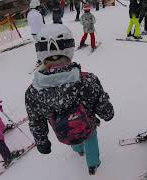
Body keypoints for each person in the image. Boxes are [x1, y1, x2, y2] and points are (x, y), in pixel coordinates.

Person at [25, 24, 114, 175]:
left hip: (64, 131)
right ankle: (93, 163)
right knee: (90, 137)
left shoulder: (33, 92)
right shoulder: (87, 80)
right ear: (69, 49)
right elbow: (102, 105)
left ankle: (77, 149)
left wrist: (42, 142)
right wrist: (107, 113)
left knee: (73, 134)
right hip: (87, 124)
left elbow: (36, 120)